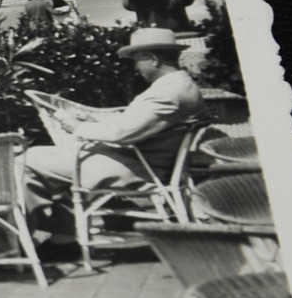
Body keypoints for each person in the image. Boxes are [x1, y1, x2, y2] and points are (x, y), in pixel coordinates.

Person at [25, 28, 208, 240]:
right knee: (37, 159)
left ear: (153, 59)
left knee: (25, 163)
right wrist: (95, 121)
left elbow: (121, 133)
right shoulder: (178, 85)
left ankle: (56, 233)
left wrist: (76, 126)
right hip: (139, 159)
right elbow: (137, 124)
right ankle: (74, 229)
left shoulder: (168, 94)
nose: (136, 68)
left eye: (137, 61)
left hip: (135, 167)